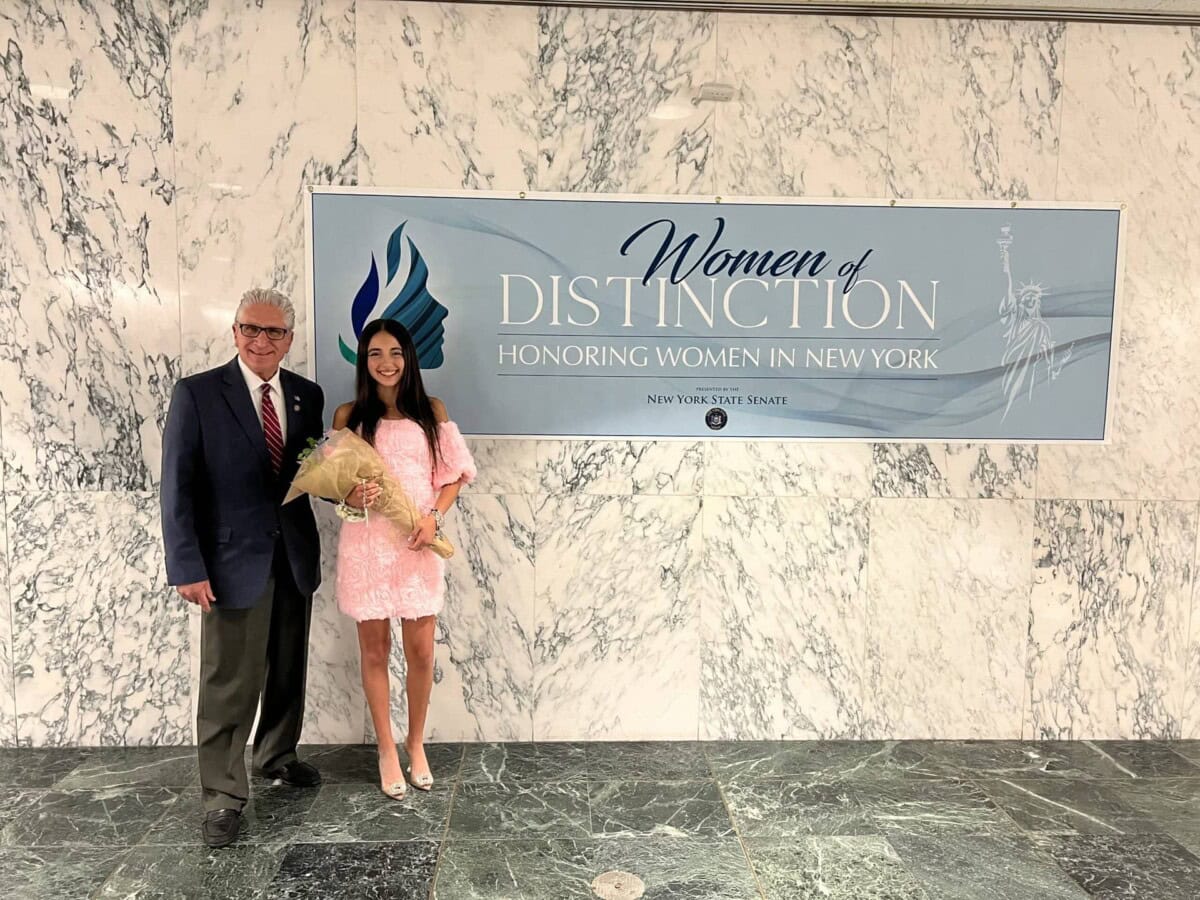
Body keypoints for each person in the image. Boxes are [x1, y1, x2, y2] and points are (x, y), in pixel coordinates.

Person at [160, 288, 326, 848]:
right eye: (250, 329)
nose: (261, 340)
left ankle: (278, 755)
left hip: (294, 555)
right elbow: (176, 487)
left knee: (286, 670)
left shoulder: (306, 395)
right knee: (229, 681)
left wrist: (352, 487)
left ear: (289, 340)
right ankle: (223, 796)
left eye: (274, 332)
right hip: (230, 562)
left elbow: (311, 474)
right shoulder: (198, 394)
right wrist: (186, 564)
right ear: (234, 332)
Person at [333, 319, 475, 800]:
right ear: (363, 360)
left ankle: (416, 743)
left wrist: (433, 516)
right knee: (374, 652)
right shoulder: (348, 416)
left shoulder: (431, 411)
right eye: (375, 353)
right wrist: (351, 492)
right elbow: (336, 489)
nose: (386, 363)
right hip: (367, 548)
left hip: (417, 545)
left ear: (409, 357)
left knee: (420, 652)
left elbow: (455, 474)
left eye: (395, 352)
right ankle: (386, 749)